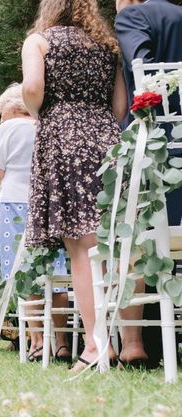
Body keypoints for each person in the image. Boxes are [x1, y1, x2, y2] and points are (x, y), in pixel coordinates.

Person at [22, 0, 127, 371]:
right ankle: (118, 340)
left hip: (64, 139)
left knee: (81, 248)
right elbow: (119, 107)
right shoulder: (107, 45)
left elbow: (33, 88)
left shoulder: (40, 42)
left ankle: (97, 345)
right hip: (107, 141)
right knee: (111, 241)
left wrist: (40, 113)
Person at [115, 0, 182, 368]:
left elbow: (143, 68)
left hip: (154, 149)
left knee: (133, 241)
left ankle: (135, 343)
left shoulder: (132, 16)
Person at [0, 83, 71, 363]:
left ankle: (37, 342)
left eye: (3, 113)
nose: (1, 119)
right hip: (50, 206)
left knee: (24, 273)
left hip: (15, 203)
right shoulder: (49, 124)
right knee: (57, 273)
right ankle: (62, 343)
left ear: (14, 108)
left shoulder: (8, 129)